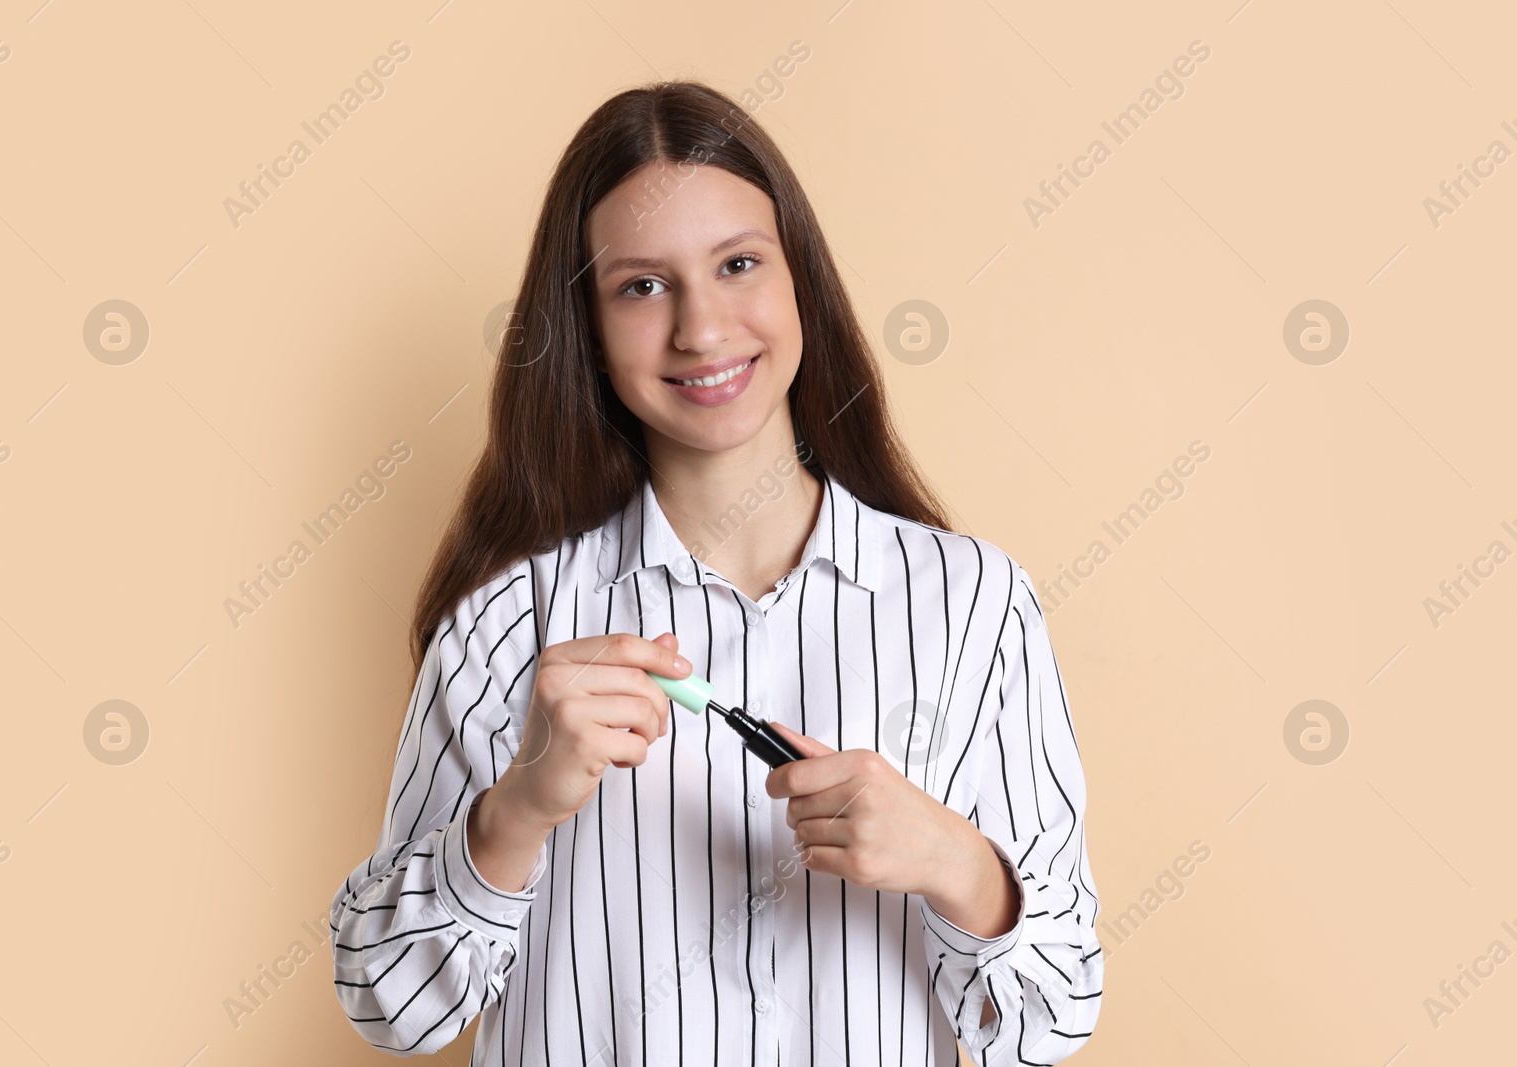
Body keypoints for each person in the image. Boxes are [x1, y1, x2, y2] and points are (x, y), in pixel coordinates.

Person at [329, 80, 1102, 1065]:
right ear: (589, 331)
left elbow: (1053, 1019)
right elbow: (389, 1005)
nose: (700, 328)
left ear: (800, 284)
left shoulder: (974, 605)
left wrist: (962, 868)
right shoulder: (507, 620)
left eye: (737, 263)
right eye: (642, 285)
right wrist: (515, 812)